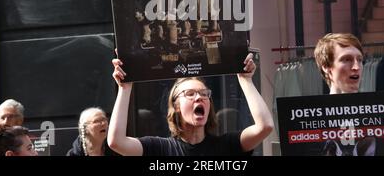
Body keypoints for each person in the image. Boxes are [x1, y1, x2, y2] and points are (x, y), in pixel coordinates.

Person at [108, 53, 274, 156]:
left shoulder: (227, 146)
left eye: (204, 94)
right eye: (190, 94)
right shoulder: (159, 148)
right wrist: (124, 87)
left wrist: (246, 81)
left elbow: (265, 126)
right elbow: (116, 142)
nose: (199, 98)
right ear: (176, 106)